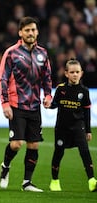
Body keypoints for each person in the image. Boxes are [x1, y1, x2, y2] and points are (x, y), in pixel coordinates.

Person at [0, 16, 52, 192]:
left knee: (34, 145)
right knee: (16, 144)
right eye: (27, 30)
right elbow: (3, 79)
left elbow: (47, 77)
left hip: (34, 106)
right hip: (16, 104)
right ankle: (5, 166)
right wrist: (5, 103)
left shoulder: (42, 53)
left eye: (33, 30)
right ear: (20, 32)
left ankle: (27, 183)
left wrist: (48, 95)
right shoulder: (12, 53)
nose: (30, 33)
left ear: (37, 32)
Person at [48, 59, 97, 192]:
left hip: (78, 126)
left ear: (81, 73)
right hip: (62, 128)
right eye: (72, 72)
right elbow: (54, 104)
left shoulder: (84, 91)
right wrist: (48, 105)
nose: (75, 74)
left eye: (77, 72)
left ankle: (92, 180)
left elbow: (87, 112)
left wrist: (88, 130)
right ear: (66, 74)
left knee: (85, 151)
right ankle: (55, 180)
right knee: (58, 153)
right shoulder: (61, 89)